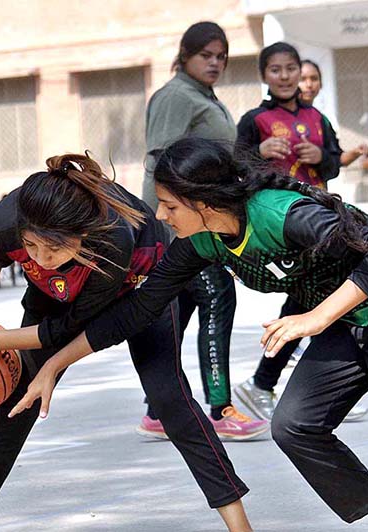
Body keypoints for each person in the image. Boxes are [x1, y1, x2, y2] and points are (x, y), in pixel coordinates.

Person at [14, 137, 368, 532]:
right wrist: (56, 361)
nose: (161, 214)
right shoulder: (205, 239)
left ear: (204, 202)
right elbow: (137, 311)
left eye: (170, 205)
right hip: (350, 318)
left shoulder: (280, 214)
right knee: (295, 428)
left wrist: (314, 319)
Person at [0, 153, 254, 532]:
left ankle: (240, 527)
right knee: (18, 406)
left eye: (53, 250)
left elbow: (69, 330)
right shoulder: (9, 217)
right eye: (32, 248)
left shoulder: (112, 238)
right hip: (53, 297)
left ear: (82, 234)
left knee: (170, 400)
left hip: (139, 288)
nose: (41, 258)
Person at [139, 21, 267, 441]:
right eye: (205, 56)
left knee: (180, 312)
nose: (215, 63)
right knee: (217, 296)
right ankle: (220, 409)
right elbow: (159, 162)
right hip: (186, 229)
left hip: (201, 223)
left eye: (221, 57)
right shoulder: (176, 95)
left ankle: (158, 409)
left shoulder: (201, 96)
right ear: (185, 56)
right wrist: (163, 228)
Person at [233, 42, 347, 422]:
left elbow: (333, 164)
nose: (284, 76)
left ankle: (267, 383)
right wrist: (259, 151)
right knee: (314, 299)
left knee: (312, 299)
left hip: (322, 220)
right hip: (281, 223)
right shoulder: (255, 120)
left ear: (302, 72)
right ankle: (292, 385)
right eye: (276, 69)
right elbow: (237, 168)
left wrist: (323, 158)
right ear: (264, 75)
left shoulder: (318, 118)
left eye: (290, 68)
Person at [298, 59, 368, 168]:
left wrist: (356, 152)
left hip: (316, 184)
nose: (309, 84)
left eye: (314, 79)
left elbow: (337, 159)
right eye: (302, 79)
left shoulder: (321, 120)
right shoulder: (280, 116)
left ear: (321, 84)